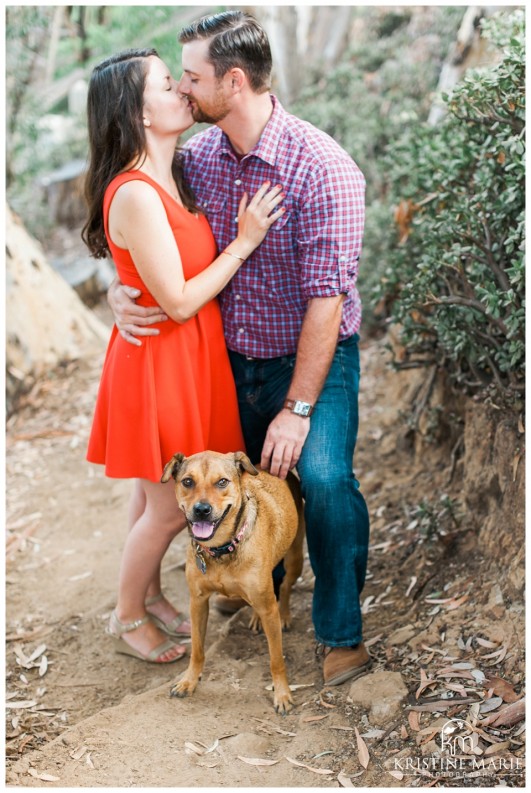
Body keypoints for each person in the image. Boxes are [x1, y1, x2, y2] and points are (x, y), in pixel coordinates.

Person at [108, 11, 371, 685]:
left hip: (310, 360)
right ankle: (243, 577)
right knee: (229, 484)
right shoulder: (194, 159)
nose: (183, 90)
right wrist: (119, 286)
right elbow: (139, 223)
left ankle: (339, 632)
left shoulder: (321, 167)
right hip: (221, 365)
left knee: (322, 478)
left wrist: (298, 406)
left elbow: (326, 300)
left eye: (189, 78)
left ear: (232, 80)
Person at [82, 47, 284, 664]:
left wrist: (117, 288)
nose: (182, 92)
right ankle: (127, 617)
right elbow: (175, 300)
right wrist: (245, 243)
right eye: (168, 86)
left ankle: (151, 598)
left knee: (150, 501)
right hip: (161, 360)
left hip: (186, 357)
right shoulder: (139, 192)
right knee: (169, 511)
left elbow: (132, 267)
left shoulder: (177, 171)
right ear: (138, 113)